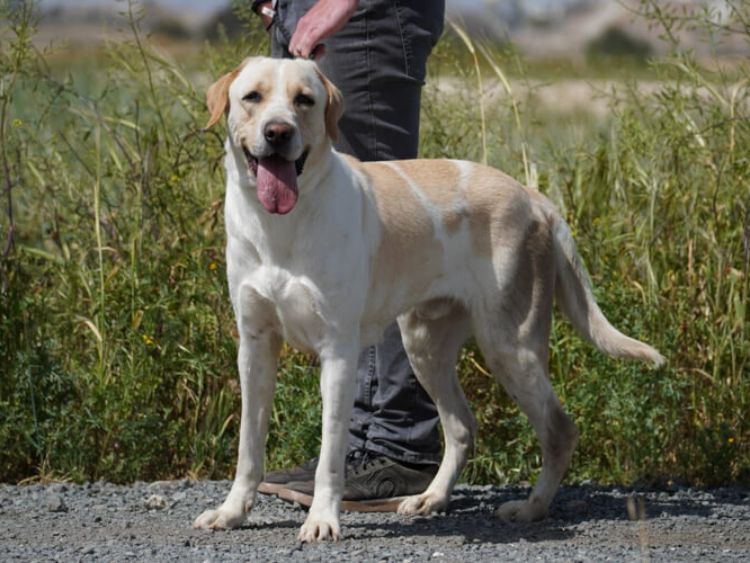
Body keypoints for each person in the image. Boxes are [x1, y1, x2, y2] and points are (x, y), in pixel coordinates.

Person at [250, 0, 446, 511]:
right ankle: (355, 445)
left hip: (363, 17)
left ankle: (395, 446)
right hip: (302, 12)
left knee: (378, 234)